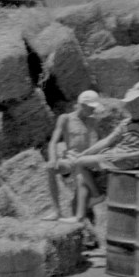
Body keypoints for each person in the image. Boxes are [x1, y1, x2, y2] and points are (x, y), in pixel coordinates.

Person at [59, 91, 139, 207]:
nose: (133, 107)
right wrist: (84, 153)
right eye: (130, 104)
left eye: (136, 104)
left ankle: (96, 195)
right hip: (113, 155)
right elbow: (107, 141)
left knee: (79, 162)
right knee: (80, 160)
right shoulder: (125, 123)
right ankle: (85, 197)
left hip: (128, 160)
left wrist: (122, 156)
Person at [43, 90, 104, 221]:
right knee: (50, 169)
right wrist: (53, 159)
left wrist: (87, 156)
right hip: (71, 159)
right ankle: (57, 211)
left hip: (86, 161)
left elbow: (98, 143)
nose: (93, 110)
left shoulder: (93, 122)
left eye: (94, 107)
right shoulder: (65, 118)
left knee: (80, 172)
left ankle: (79, 216)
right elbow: (53, 141)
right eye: (91, 107)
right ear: (82, 105)